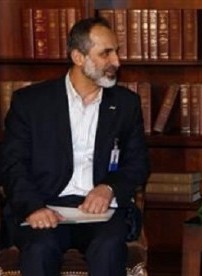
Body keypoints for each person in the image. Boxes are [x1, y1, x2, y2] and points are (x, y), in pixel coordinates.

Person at [0, 17, 150, 276]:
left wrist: (109, 188)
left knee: (108, 245)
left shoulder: (126, 104)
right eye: (106, 53)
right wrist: (34, 207)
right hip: (45, 206)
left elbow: (138, 163)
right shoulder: (30, 103)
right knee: (39, 249)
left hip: (101, 212)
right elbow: (12, 164)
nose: (117, 62)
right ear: (79, 57)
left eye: (116, 51)